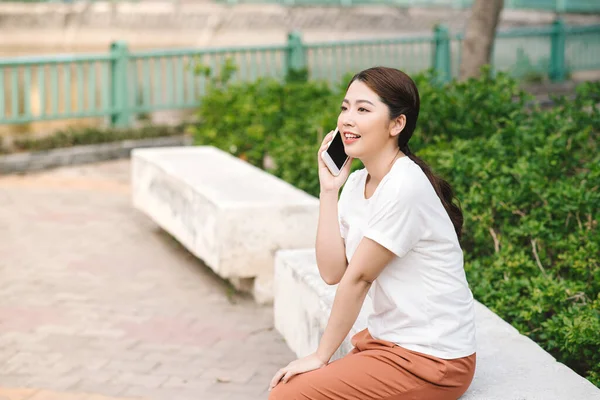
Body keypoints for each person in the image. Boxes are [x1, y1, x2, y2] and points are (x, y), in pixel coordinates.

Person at [268, 66, 477, 400]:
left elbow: (359, 278)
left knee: (289, 395)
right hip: (388, 341)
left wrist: (320, 356)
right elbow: (333, 271)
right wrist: (328, 191)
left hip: (432, 357)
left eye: (363, 109)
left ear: (397, 124)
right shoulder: (355, 182)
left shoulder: (404, 187)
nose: (347, 119)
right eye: (345, 107)